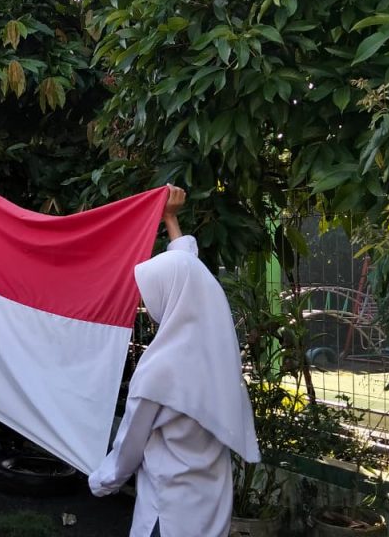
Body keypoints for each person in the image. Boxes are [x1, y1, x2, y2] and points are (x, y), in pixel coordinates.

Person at [88, 186, 260, 537]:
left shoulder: (158, 369)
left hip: (166, 515)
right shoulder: (218, 353)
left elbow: (128, 449)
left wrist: (101, 482)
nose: (148, 305)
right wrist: (170, 219)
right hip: (211, 509)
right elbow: (189, 272)